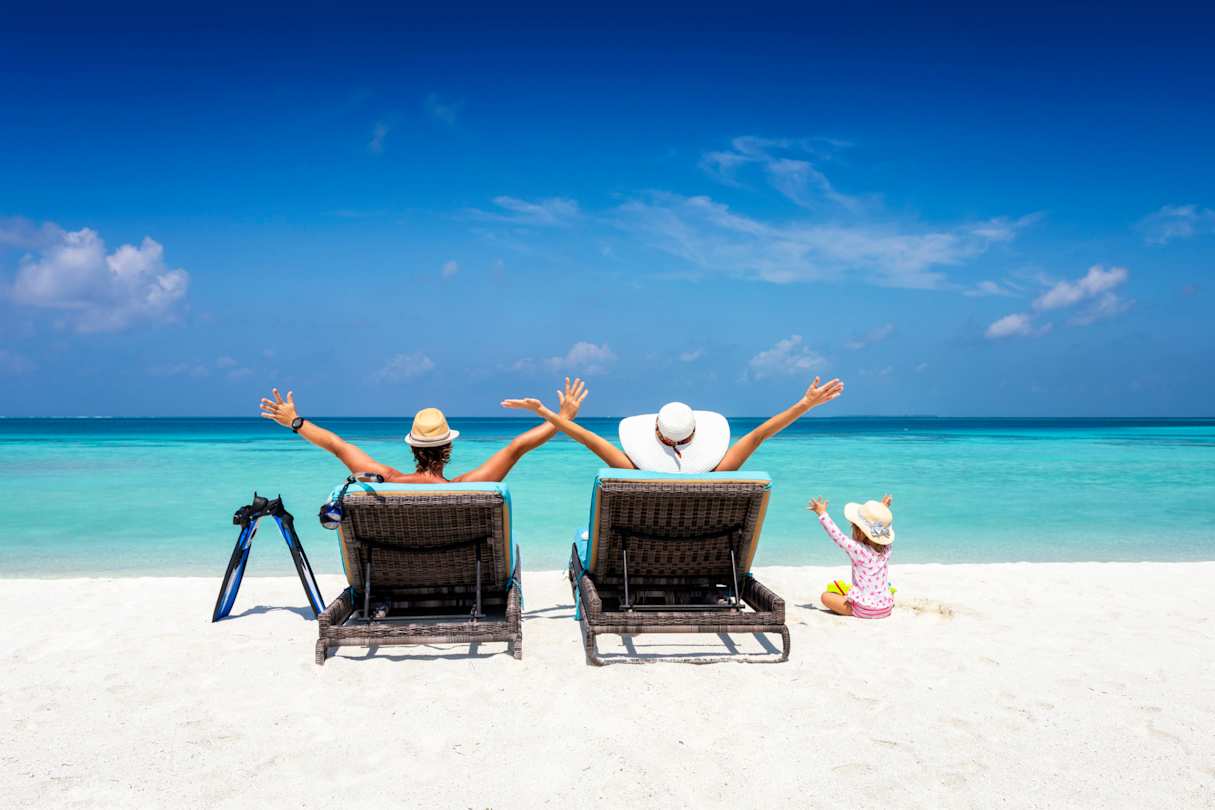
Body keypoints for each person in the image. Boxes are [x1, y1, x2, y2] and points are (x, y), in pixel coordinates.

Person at [258, 377, 588, 482]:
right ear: (448, 448)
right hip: (462, 583)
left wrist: (295, 421)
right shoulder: (465, 488)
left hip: (395, 583)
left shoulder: (388, 482)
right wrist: (562, 417)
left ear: (413, 448)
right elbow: (517, 447)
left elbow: (336, 445)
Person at [500, 374, 844, 473]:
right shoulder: (719, 473)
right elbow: (759, 435)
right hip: (707, 561)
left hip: (635, 563)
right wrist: (805, 404)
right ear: (698, 435)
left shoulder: (634, 471)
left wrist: (549, 412)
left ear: (654, 434)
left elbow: (588, 439)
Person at [807, 494, 895, 619]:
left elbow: (837, 535)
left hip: (863, 609)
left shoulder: (859, 550)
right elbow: (882, 524)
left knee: (825, 597)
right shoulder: (887, 549)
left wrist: (822, 514)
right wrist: (884, 508)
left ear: (859, 532)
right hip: (885, 608)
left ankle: (857, 607)